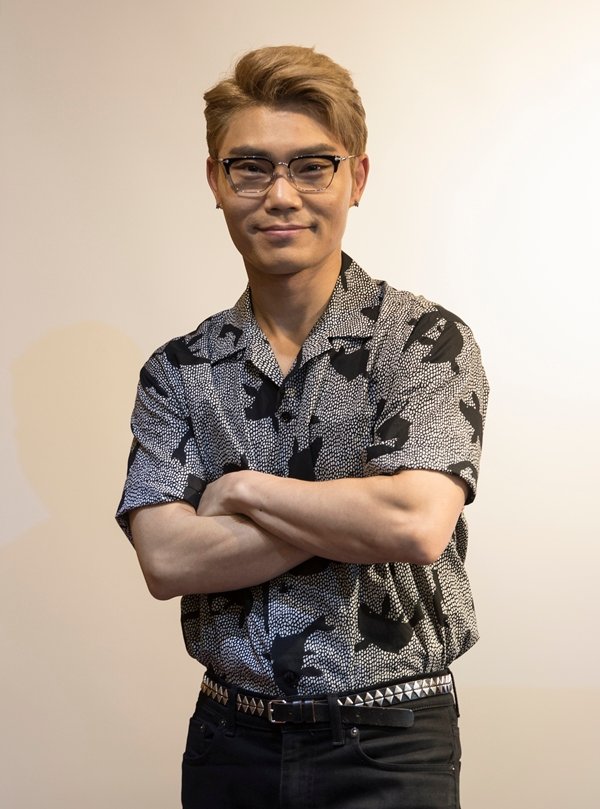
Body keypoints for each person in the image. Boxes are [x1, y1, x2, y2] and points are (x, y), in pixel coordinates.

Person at [116, 45, 488, 809]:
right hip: (229, 740)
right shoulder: (178, 371)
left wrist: (241, 490)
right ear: (216, 181)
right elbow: (166, 558)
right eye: (250, 168)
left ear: (357, 177)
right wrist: (358, 511)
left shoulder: (423, 341)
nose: (281, 194)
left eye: (312, 166)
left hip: (392, 742)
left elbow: (415, 524)